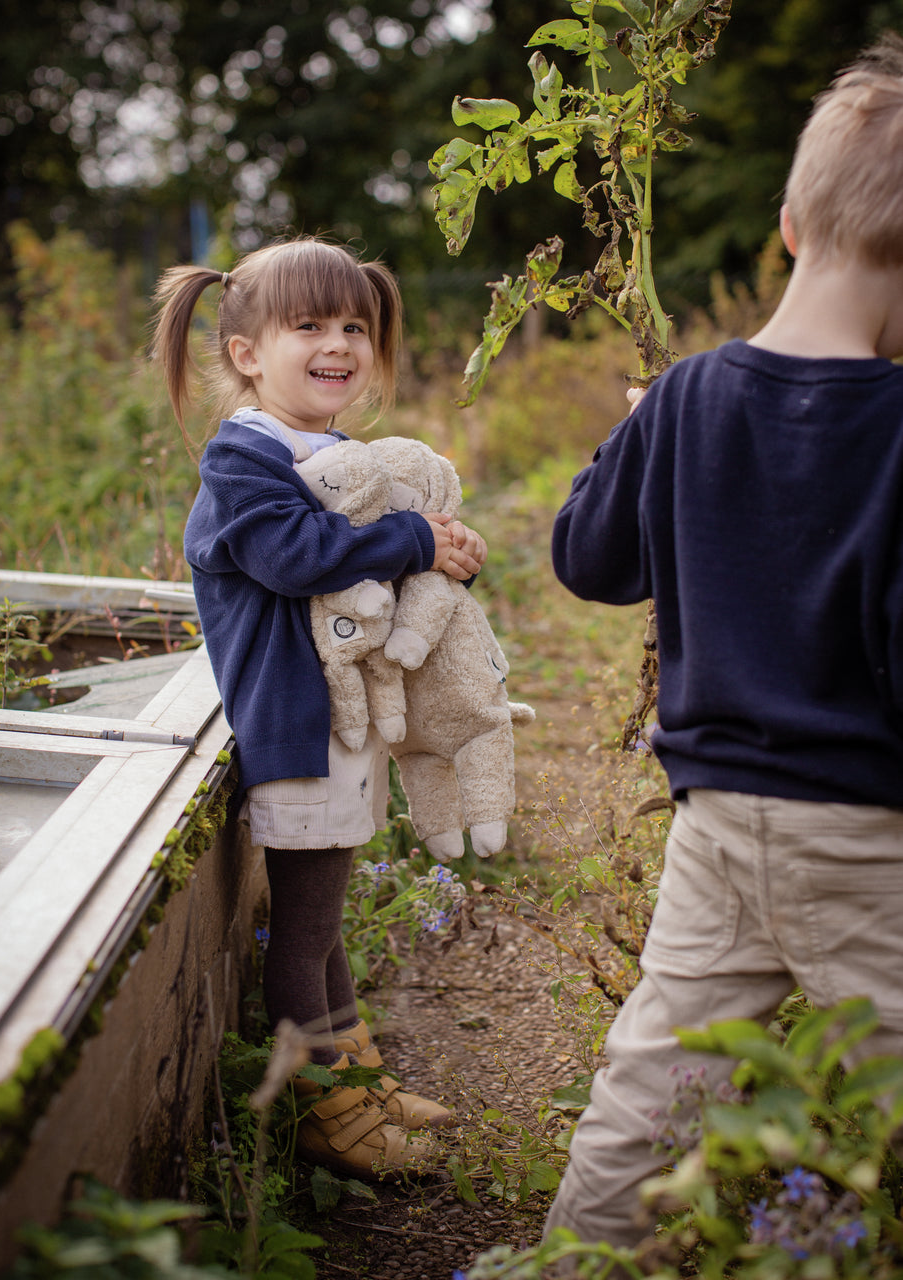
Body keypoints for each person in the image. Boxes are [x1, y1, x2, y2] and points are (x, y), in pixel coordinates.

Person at [544, 32, 903, 1258]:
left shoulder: (688, 394)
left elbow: (590, 561)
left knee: (656, 1078)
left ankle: (576, 1256)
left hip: (712, 818)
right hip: (861, 832)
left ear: (789, 224)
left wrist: (635, 437)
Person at [151, 235, 488, 1178]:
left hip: (337, 723)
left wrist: (435, 541)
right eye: (309, 326)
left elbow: (370, 538)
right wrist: (412, 538)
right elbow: (297, 556)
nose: (339, 343)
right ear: (246, 353)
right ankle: (324, 1120)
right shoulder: (242, 459)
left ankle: (355, 1079)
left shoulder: (330, 450)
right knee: (301, 935)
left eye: (354, 326)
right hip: (294, 728)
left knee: (323, 923)